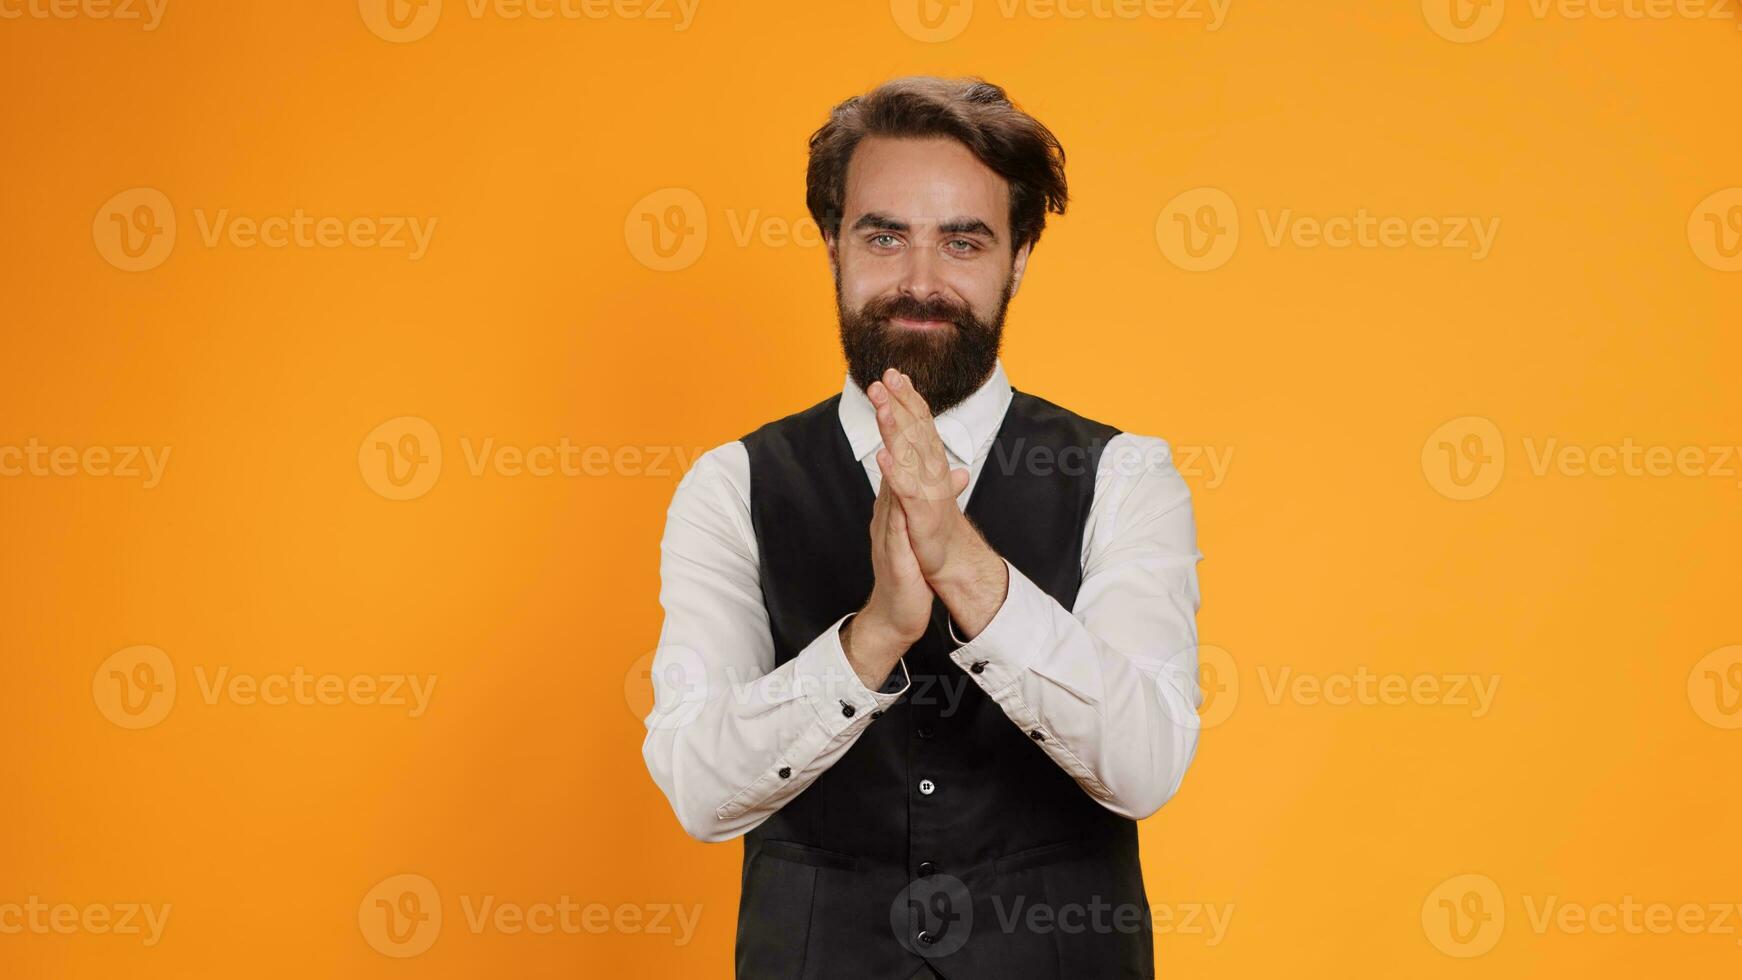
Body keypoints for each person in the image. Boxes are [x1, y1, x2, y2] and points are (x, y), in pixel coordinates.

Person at [642, 75, 1204, 980]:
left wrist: (966, 568)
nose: (920, 281)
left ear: (1019, 256)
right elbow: (700, 792)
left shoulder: (1127, 475)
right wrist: (872, 640)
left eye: (964, 241)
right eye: (884, 234)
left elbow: (1145, 767)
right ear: (833, 244)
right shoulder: (730, 486)